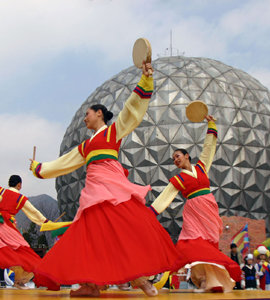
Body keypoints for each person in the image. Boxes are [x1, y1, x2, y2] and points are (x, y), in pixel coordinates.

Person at [29, 62, 179, 297]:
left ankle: (139, 279)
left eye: (87, 114)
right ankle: (91, 284)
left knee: (123, 230)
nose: (84, 119)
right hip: (93, 190)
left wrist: (146, 81)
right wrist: (39, 168)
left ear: (99, 113)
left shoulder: (113, 131)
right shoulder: (86, 145)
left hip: (112, 186)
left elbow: (132, 110)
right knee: (91, 235)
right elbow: (63, 163)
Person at [149, 116, 242, 293]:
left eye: (177, 156)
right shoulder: (178, 179)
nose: (175, 160)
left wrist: (211, 125)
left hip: (208, 208)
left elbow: (208, 149)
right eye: (173, 159)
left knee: (208, 246)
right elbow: (165, 196)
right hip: (193, 211)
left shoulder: (201, 167)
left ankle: (210, 280)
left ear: (186, 156)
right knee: (190, 243)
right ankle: (204, 279)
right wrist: (151, 212)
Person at [0, 175, 51, 288]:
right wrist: (46, 223)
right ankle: (20, 279)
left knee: (5, 251)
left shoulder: (1, 191)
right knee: (23, 251)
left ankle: (15, 278)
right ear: (19, 185)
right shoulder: (19, 198)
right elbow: (33, 212)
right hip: (7, 226)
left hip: (3, 223)